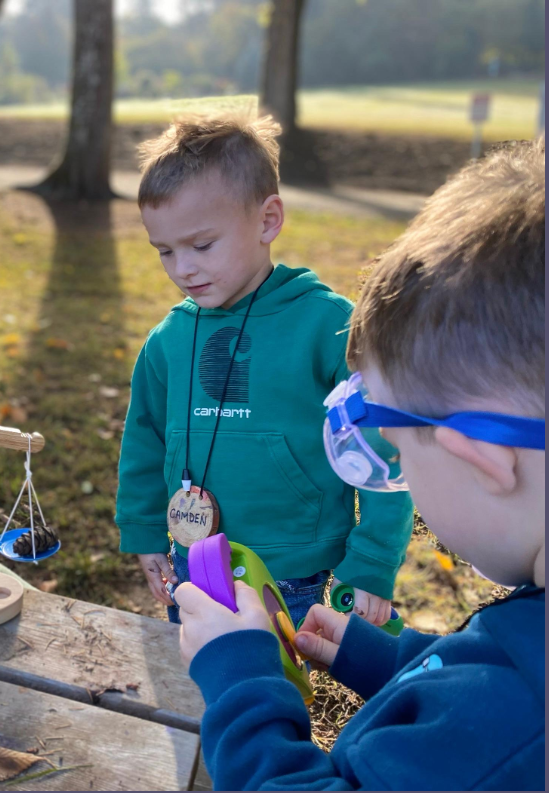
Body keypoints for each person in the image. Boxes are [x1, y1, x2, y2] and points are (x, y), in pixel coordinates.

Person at [177, 139, 545, 789]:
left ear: (485, 459)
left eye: (398, 454)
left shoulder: (518, 724)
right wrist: (384, 659)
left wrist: (241, 677)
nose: (401, 475)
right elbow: (484, 679)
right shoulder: (522, 661)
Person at [116, 113, 414, 627]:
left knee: (275, 698)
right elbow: (144, 442)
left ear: (267, 220)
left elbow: (387, 447)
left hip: (294, 576)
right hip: (193, 565)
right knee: (198, 694)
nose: (182, 268)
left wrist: (370, 561)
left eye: (201, 245)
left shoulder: (328, 326)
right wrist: (144, 533)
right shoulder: (167, 341)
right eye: (164, 251)